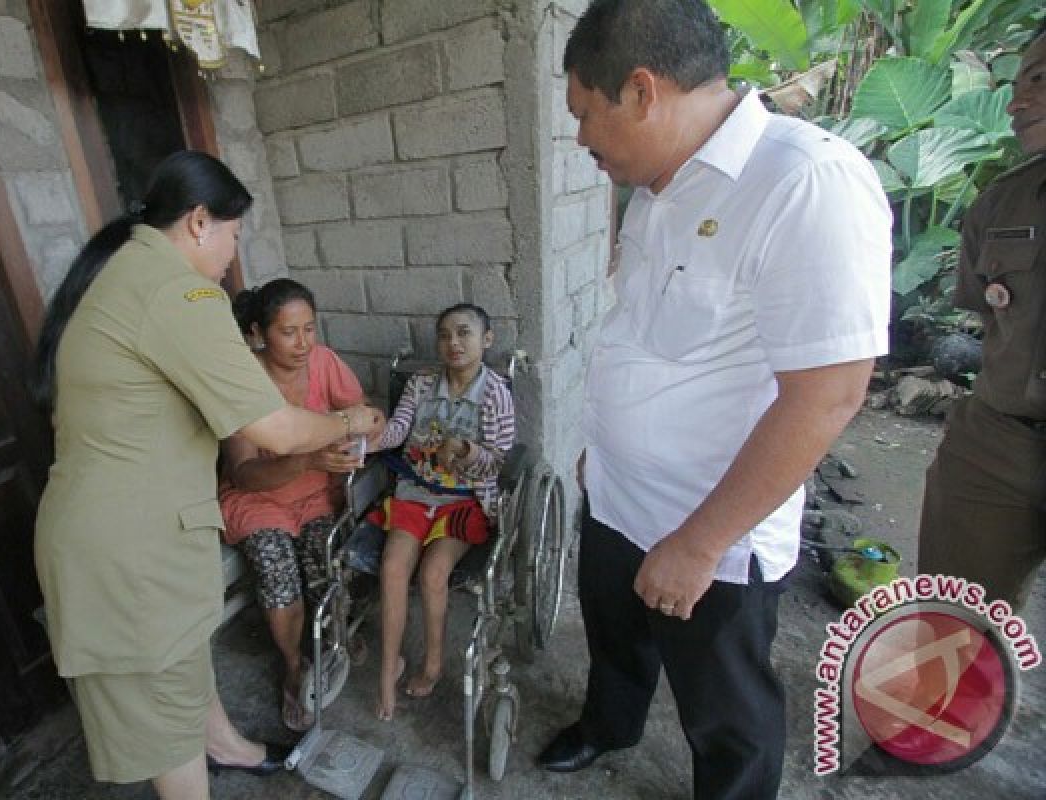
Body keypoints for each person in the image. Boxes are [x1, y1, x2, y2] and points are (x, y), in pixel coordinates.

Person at [537, 1, 891, 797]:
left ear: (641, 90)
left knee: (723, 703)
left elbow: (828, 396)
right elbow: (643, 332)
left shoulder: (805, 182)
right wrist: (604, 447)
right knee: (616, 644)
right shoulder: (654, 188)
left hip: (714, 530)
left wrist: (698, 545)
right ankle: (608, 726)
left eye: (584, 114)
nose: (581, 138)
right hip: (619, 496)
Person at [32, 151, 382, 800]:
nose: (232, 254)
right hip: (127, 547)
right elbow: (275, 429)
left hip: (135, 529)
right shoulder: (180, 293)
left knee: (182, 655)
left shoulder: (126, 275)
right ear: (199, 222)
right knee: (166, 728)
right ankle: (203, 763)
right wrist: (347, 422)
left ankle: (226, 745)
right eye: (233, 234)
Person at [917, 21, 1046, 613]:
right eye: (1018, 82)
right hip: (1000, 443)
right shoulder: (1001, 203)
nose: (1017, 100)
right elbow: (990, 322)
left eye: (1039, 81)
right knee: (950, 630)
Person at [218, 278, 368, 732]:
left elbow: (358, 410)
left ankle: (336, 637)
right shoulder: (240, 380)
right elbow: (243, 471)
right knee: (276, 571)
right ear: (261, 333)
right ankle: (292, 668)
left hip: (318, 492)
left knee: (328, 559)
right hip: (258, 498)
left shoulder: (323, 362)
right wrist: (306, 459)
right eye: (288, 332)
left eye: (309, 329)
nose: (303, 343)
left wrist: (355, 439)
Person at [368, 303, 515, 721]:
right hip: (416, 493)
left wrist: (467, 450)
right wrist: (366, 440)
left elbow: (499, 460)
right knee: (393, 567)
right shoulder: (422, 382)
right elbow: (398, 430)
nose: (453, 343)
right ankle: (387, 671)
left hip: (463, 502)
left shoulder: (494, 394)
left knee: (434, 574)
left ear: (486, 340)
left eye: (464, 333)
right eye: (445, 335)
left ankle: (433, 664)